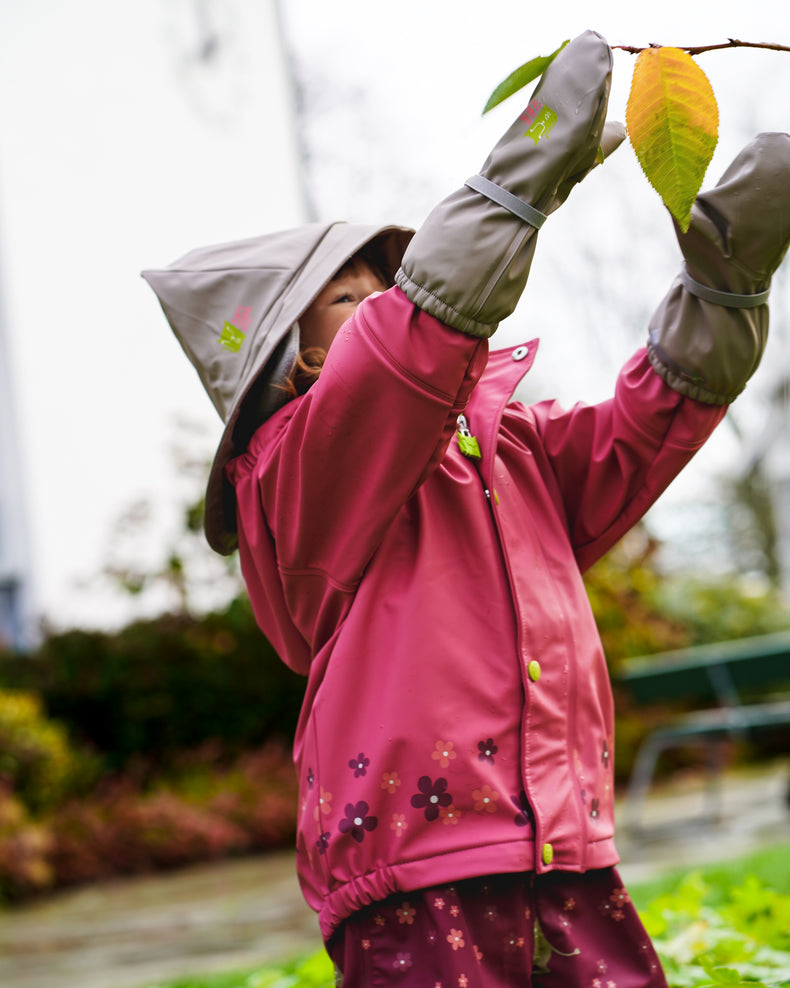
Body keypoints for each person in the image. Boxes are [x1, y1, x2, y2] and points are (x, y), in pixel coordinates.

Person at [143, 30, 790, 988]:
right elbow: (407, 352)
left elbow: (633, 440)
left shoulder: (504, 442)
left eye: (387, 290)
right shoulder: (298, 472)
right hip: (421, 861)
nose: (387, 306)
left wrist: (721, 295)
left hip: (559, 841)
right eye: (353, 299)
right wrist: (516, 183)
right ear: (301, 361)